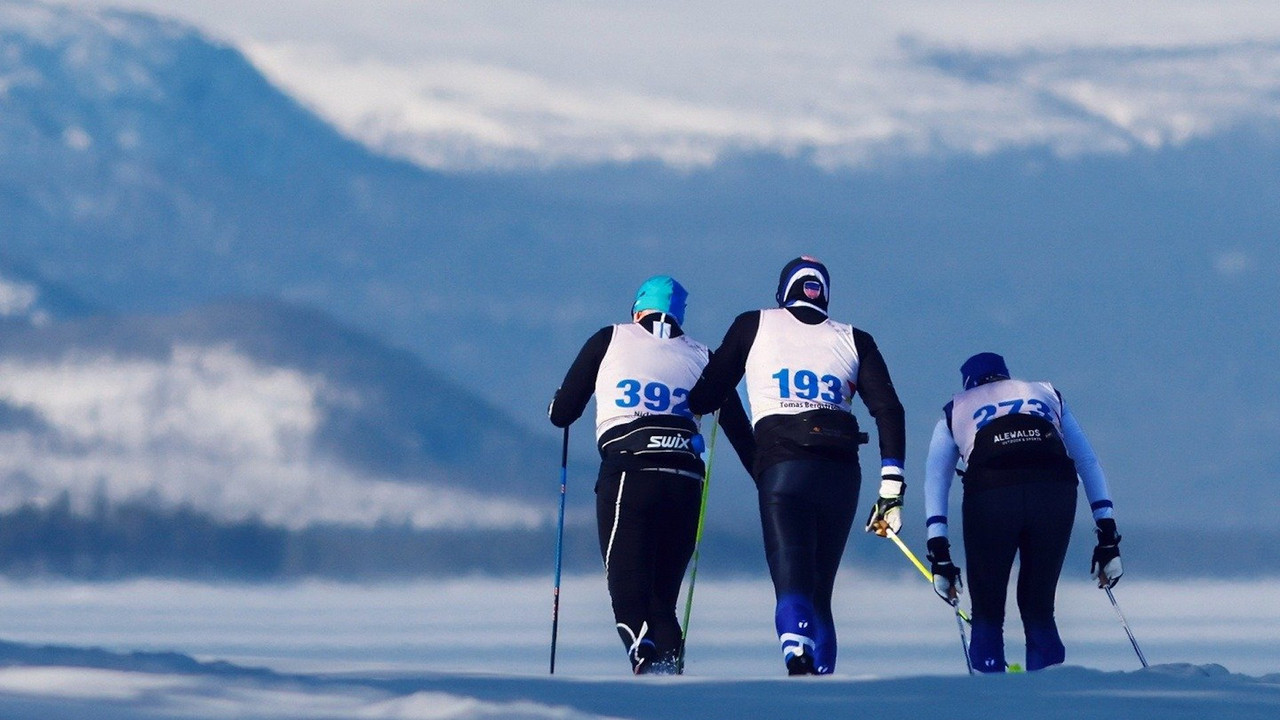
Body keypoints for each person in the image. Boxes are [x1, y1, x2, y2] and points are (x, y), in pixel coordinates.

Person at [687, 256, 906, 676]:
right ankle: (823, 685)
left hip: (783, 467)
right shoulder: (854, 338)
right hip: (842, 471)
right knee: (821, 591)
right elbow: (889, 410)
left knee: (792, 577)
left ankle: (797, 657)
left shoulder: (754, 323)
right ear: (824, 295)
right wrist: (892, 486)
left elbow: (707, 395)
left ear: (782, 293)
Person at [548, 275, 755, 675]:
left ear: (637, 310)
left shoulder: (610, 338)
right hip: (685, 477)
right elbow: (742, 436)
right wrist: (769, 483)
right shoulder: (703, 356)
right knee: (663, 599)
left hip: (630, 470)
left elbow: (563, 414)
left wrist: (558, 403)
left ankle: (645, 657)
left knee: (628, 591)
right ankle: (670, 679)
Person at [923, 352, 1124, 673]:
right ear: (1006, 376)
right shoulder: (1047, 393)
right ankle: (1049, 697)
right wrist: (1108, 536)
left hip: (990, 494)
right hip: (1055, 490)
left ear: (968, 384)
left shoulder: (954, 408)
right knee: (1039, 608)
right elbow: (1088, 462)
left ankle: (993, 699)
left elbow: (936, 480)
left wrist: (939, 552)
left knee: (987, 612)